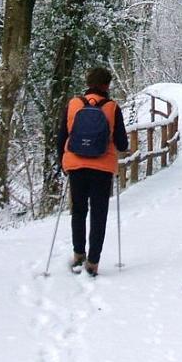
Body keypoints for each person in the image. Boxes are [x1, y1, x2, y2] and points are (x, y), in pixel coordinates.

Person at [56, 67, 128, 276]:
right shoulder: (112, 107)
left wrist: (63, 162)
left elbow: (61, 137)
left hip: (76, 166)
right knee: (99, 214)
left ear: (88, 83)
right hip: (102, 168)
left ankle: (79, 254)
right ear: (107, 85)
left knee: (78, 211)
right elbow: (122, 144)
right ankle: (93, 263)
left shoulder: (74, 104)